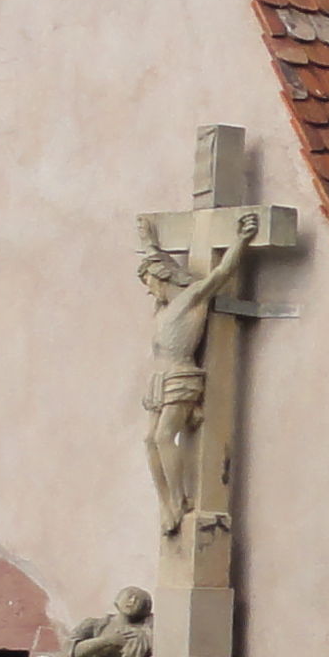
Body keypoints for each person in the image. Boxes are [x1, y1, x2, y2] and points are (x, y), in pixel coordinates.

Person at [138, 212, 258, 534]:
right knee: (149, 440)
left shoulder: (190, 298)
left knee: (164, 436)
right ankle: (167, 503)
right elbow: (152, 260)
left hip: (180, 376)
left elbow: (221, 272)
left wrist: (241, 241)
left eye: (150, 283)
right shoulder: (162, 310)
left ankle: (180, 499)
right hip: (159, 380)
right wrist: (148, 241)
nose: (150, 291)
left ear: (163, 279)